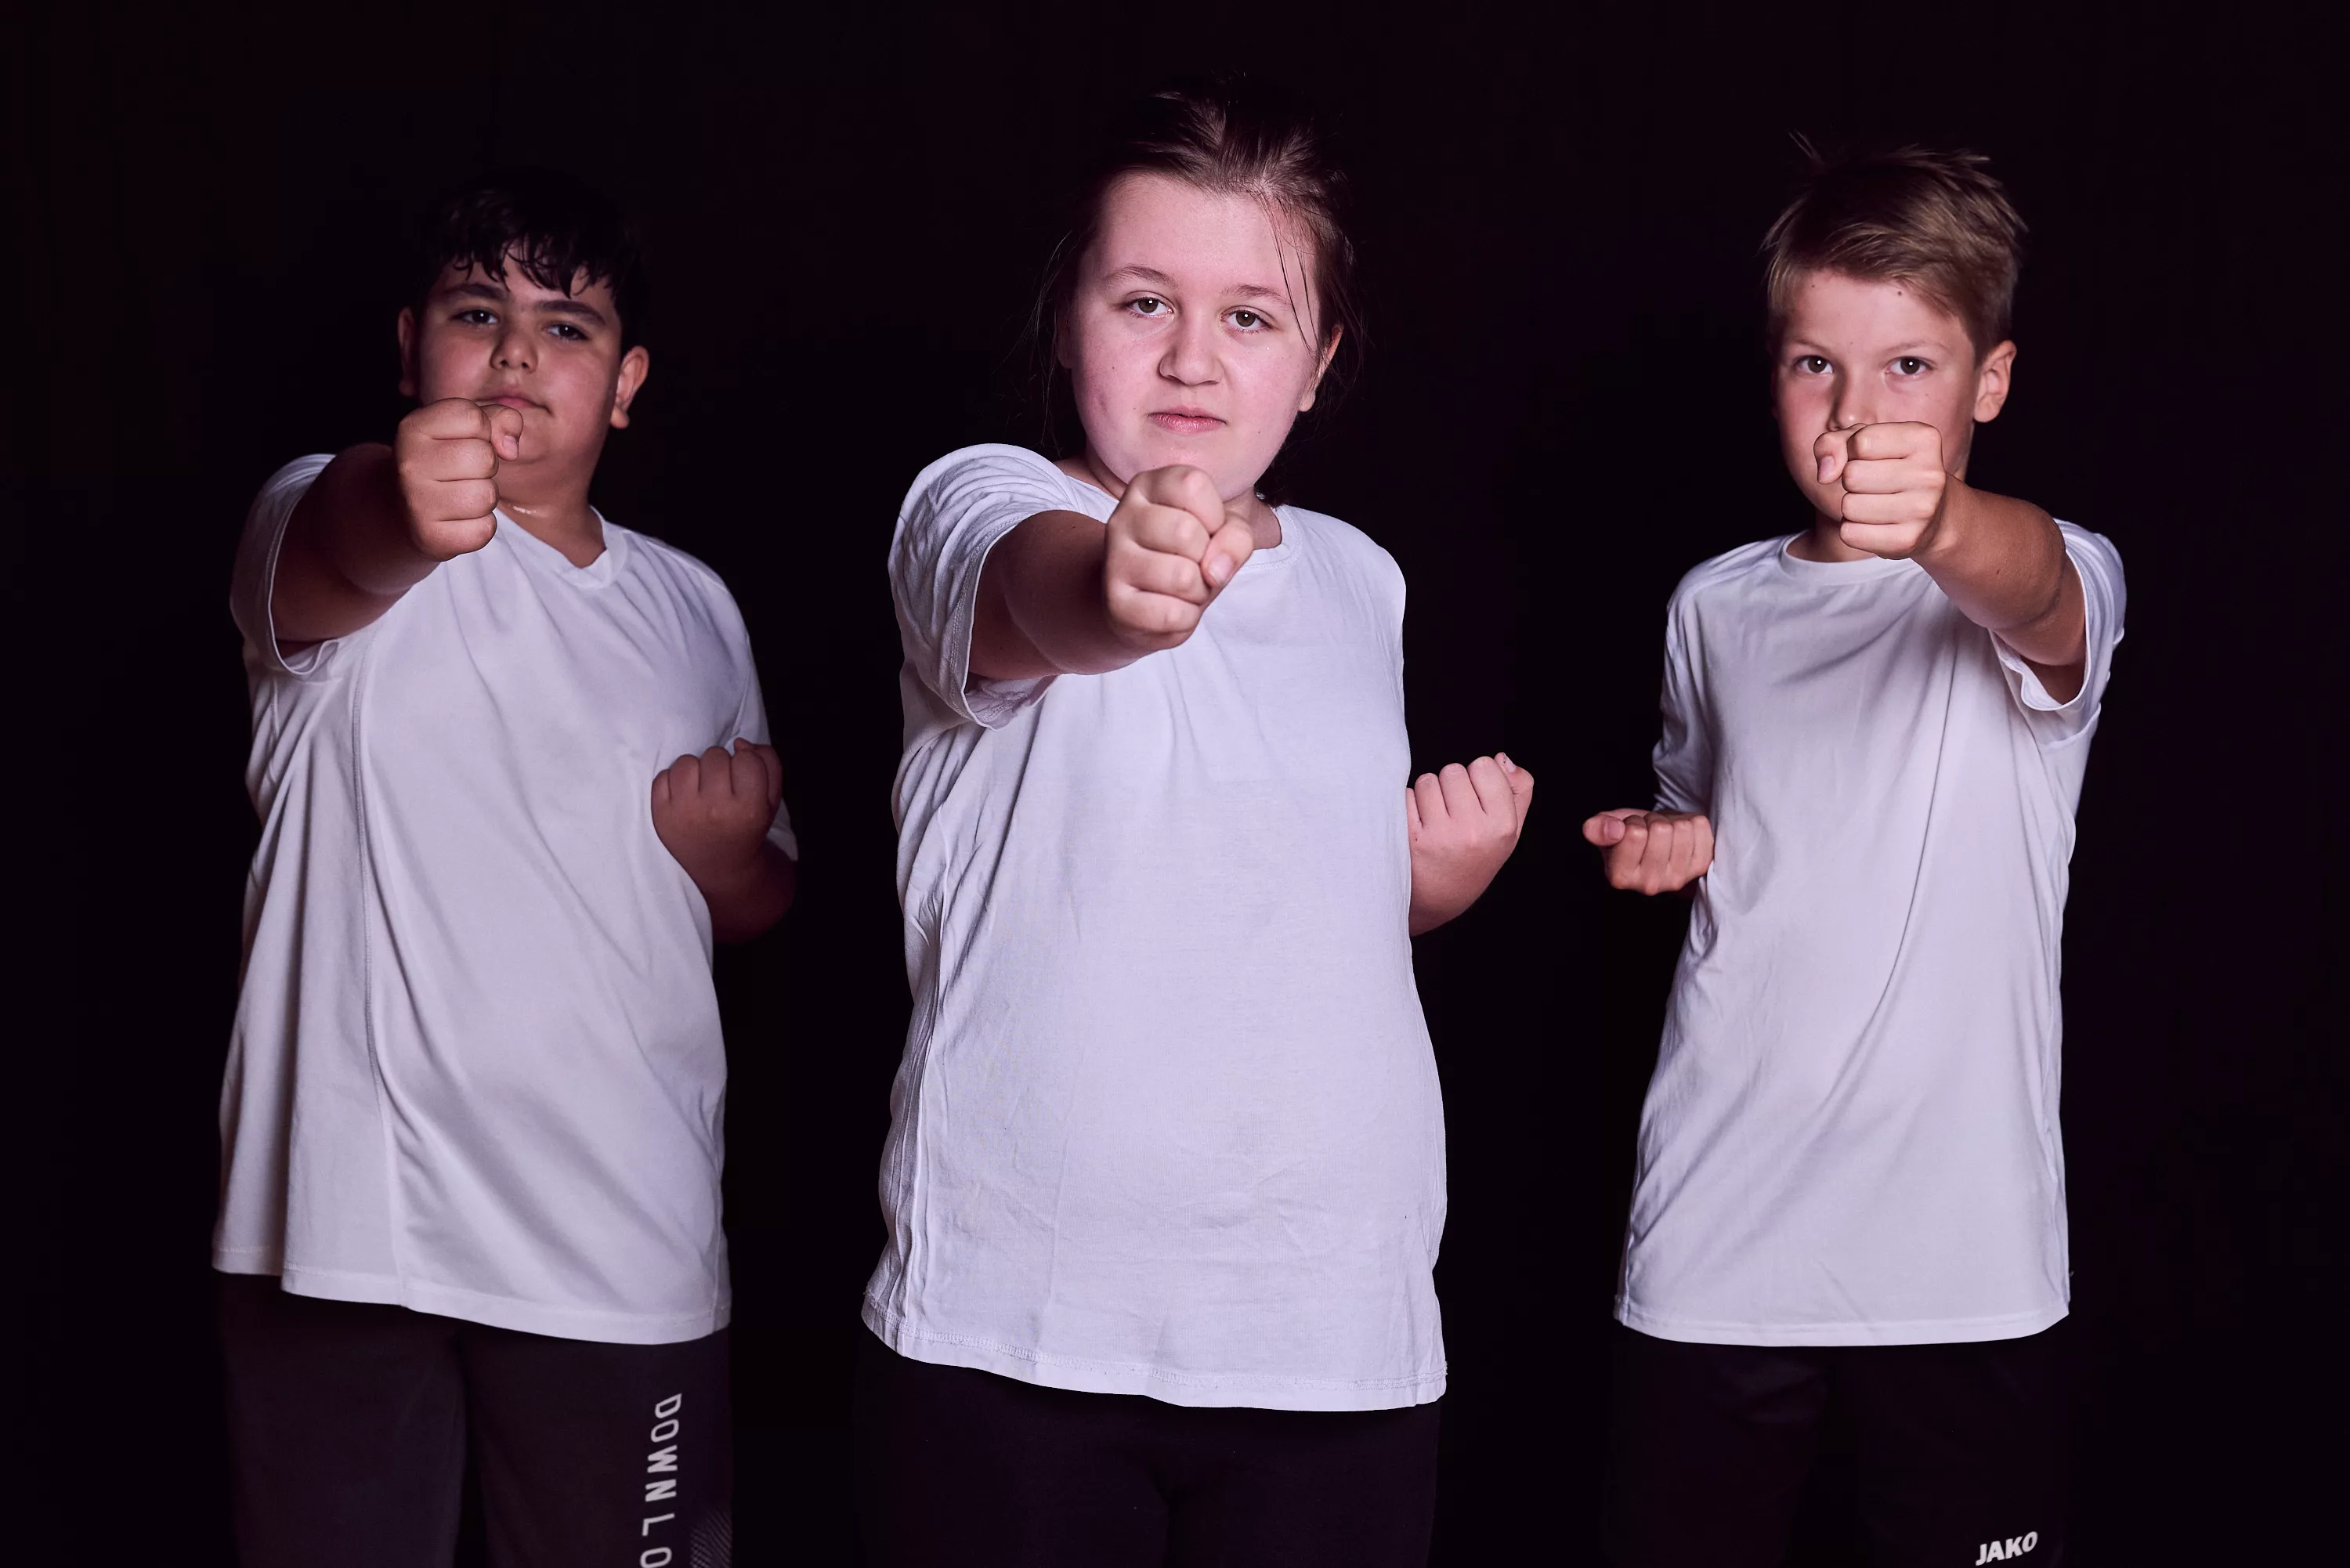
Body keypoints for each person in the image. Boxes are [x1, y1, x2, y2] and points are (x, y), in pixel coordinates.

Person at [854, 79, 1533, 1568]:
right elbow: (1033, 594)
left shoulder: (1362, 579)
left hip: (1331, 1330)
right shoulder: (978, 502)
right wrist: (1114, 589)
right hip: (1019, 1323)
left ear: (1321, 360)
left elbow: (1251, 886)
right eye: (1144, 299)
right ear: (1068, 319)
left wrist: (1418, 888)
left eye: (1251, 316)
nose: (1191, 356)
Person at [215, 169, 792, 1568]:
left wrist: (726, 859)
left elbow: (760, 899)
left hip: (621, 1236)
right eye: (480, 313)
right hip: (346, 1229)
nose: (520, 352)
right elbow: (343, 539)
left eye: (568, 325)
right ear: (411, 344)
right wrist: (398, 498)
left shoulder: (696, 606)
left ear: (627, 382)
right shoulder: (317, 509)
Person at [1584, 146, 2125, 1566]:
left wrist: (1937, 521)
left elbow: (2036, 592)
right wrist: (1667, 840)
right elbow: (1711, 807)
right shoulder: (1712, 605)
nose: (1856, 412)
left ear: (1989, 384)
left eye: (1909, 368)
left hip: (1961, 1266)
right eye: (1816, 364)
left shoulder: (2059, 569)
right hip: (1716, 1241)